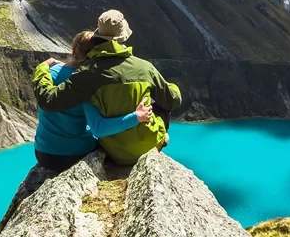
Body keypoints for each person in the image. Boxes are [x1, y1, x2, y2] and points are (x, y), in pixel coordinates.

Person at [33, 10, 182, 165]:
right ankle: (159, 138)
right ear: (123, 36)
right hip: (144, 144)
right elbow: (173, 100)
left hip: (107, 151)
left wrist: (41, 68)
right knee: (162, 105)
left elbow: (49, 101)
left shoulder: (87, 74)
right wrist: (170, 88)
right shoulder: (145, 67)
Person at [33, 30, 153, 172]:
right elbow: (99, 128)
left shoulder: (51, 71)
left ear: (73, 49)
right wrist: (136, 117)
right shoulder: (86, 81)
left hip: (42, 153)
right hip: (70, 156)